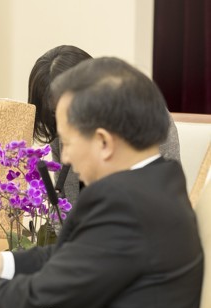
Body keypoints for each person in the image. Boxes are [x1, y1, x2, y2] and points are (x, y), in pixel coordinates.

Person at [0, 57, 203, 308]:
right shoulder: (157, 182)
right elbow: (74, 255)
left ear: (103, 142)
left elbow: (46, 300)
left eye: (69, 142)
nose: (66, 159)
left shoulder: (126, 205)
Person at [28, 45, 181, 205]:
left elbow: (164, 200)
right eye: (54, 113)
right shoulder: (60, 131)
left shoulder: (150, 121)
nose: (63, 122)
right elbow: (62, 210)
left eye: (68, 110)